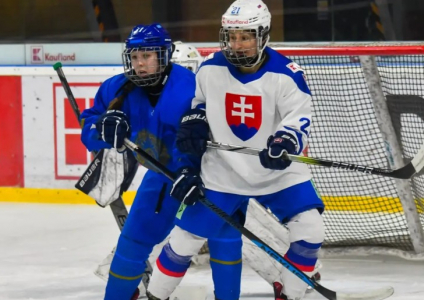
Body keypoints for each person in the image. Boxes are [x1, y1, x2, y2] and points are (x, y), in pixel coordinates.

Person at [146, 1, 325, 300]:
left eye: (245, 36)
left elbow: (298, 119)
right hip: (222, 171)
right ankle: (155, 296)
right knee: (184, 240)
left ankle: (291, 295)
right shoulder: (211, 68)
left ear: (263, 34)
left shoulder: (287, 74)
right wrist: (195, 128)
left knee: (311, 229)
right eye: (231, 36)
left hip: (277, 172)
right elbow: (198, 106)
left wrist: (284, 142)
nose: (236, 44)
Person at [80, 24, 200, 300]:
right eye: (134, 57)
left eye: (146, 56)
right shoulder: (116, 88)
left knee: (222, 241)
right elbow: (89, 126)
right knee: (132, 243)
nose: (139, 63)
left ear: (164, 55)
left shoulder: (192, 87)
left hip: (205, 177)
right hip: (161, 176)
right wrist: (101, 129)